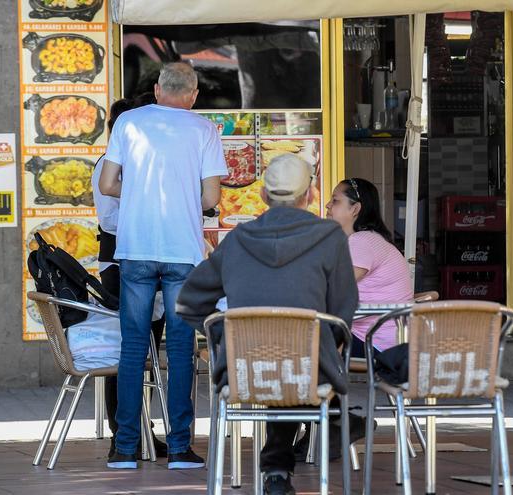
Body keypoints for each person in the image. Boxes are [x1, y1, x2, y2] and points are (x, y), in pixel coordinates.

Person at [176, 154, 358, 495]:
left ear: (262, 195)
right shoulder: (330, 238)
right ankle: (276, 468)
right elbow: (344, 310)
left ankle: (276, 469)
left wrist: (224, 339)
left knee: (283, 362)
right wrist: (322, 342)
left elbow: (188, 303)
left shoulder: (237, 240)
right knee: (301, 361)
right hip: (309, 370)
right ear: (311, 195)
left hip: (244, 371)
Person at [99, 62, 227, 469]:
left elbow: (107, 185)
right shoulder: (204, 130)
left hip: (134, 247)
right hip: (181, 252)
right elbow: (209, 200)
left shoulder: (129, 123)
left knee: (134, 346)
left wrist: (137, 191)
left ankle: (124, 448)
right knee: (181, 347)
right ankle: (178, 449)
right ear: (192, 95)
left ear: (157, 90)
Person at [92, 97, 167, 458]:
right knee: (125, 352)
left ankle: (142, 428)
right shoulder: (108, 166)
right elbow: (109, 221)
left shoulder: (141, 165)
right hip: (119, 266)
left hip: (150, 262)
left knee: (149, 350)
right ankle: (122, 432)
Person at [325, 177, 414, 356]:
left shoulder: (361, 241)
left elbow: (332, 287)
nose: (328, 205)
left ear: (355, 209)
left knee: (302, 340)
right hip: (390, 339)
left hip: (376, 343)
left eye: (335, 200)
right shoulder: (369, 239)